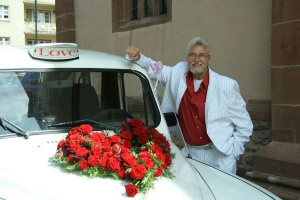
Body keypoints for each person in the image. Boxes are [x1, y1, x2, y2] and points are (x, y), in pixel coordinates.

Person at [125, 36, 253, 174]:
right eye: (192, 55)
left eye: (202, 55)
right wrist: (138, 58)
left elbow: (245, 126)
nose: (197, 59)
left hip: (220, 156)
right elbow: (156, 70)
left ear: (208, 59)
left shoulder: (226, 85)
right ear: (187, 58)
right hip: (191, 154)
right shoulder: (177, 74)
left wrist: (233, 152)